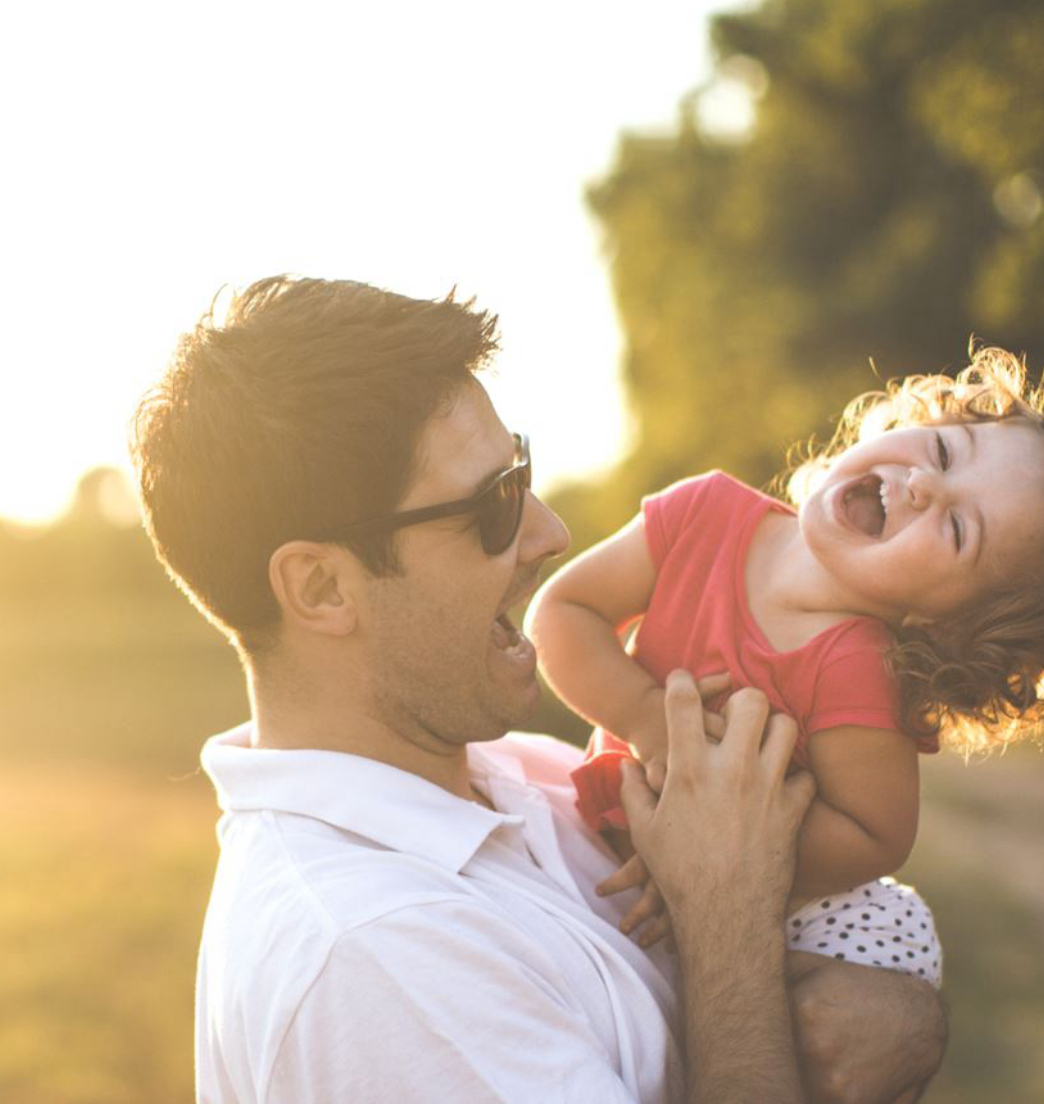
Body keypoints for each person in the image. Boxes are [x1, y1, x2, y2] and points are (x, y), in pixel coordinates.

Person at [132, 274, 946, 1102]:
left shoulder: (523, 773)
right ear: (321, 590)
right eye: (491, 506)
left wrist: (905, 1016)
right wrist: (728, 919)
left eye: (519, 469)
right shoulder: (377, 958)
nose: (550, 532)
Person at [529, 347, 1044, 970]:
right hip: (596, 861)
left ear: (949, 624)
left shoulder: (855, 664)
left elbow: (873, 835)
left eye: (960, 530)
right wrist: (648, 720)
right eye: (942, 452)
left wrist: (718, 853)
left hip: (736, 918)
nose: (926, 484)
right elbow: (562, 612)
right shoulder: (703, 514)